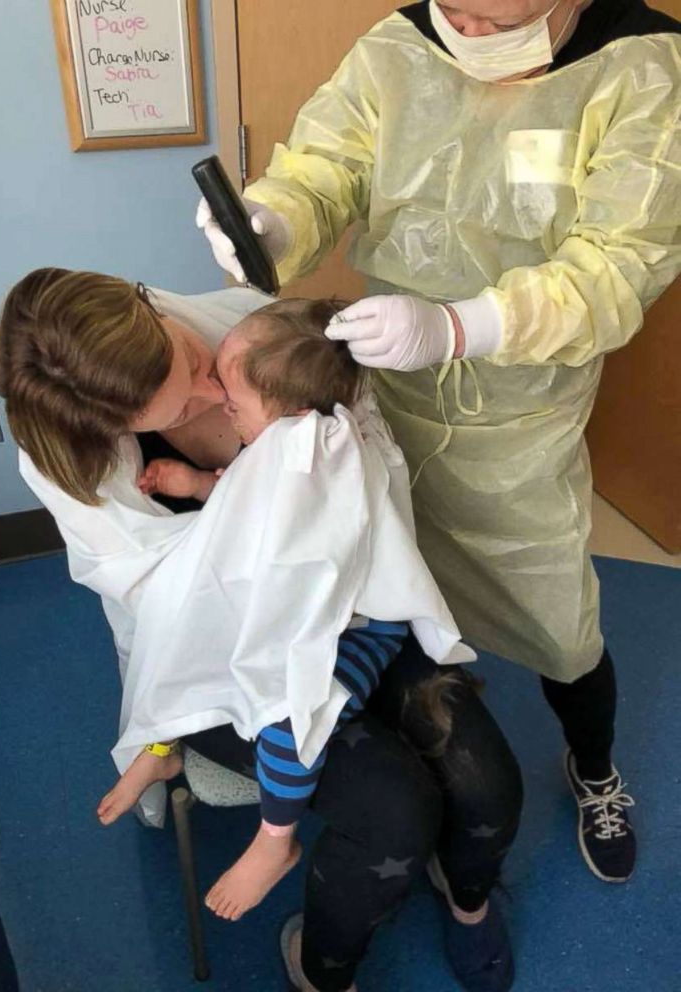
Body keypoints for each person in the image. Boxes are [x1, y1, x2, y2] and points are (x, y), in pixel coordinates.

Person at [198, 0, 681, 886]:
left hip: (517, 423)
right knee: (388, 596)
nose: (467, 28)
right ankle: (431, 766)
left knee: (560, 624)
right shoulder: (399, 44)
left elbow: (619, 263)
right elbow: (328, 163)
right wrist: (275, 216)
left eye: (494, 15)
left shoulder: (643, 67)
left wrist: (466, 325)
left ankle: (594, 765)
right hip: (387, 396)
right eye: (455, 6)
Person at [0, 268, 523, 992]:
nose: (212, 394)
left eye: (199, 366)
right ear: (115, 429)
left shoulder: (256, 333)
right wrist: (165, 728)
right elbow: (174, 603)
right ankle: (323, 967)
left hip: (354, 604)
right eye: (179, 404)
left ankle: (466, 901)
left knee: (486, 782)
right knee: (394, 815)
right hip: (218, 650)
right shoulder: (77, 469)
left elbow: (353, 486)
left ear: (151, 307)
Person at [97, 296, 474, 923]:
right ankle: (162, 750)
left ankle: (275, 839)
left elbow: (317, 566)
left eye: (232, 398)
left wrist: (262, 616)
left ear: (294, 414)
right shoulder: (280, 440)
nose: (218, 397)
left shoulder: (323, 455)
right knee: (182, 630)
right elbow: (244, 499)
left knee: (290, 715)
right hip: (296, 606)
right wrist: (192, 486)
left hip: (355, 627)